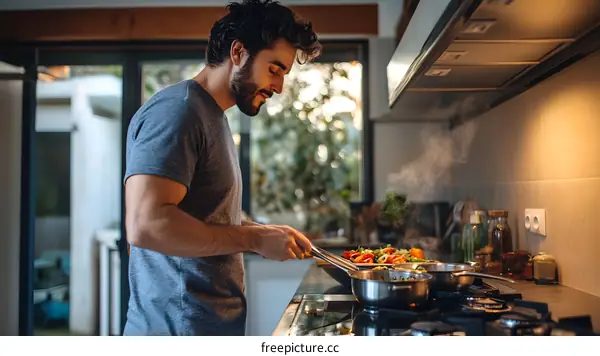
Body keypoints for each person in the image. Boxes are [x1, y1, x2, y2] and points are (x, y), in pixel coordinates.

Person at [122, 0, 322, 336]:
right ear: (239, 52)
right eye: (274, 69)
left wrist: (262, 232)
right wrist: (253, 239)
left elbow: (203, 215)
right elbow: (146, 225)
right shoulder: (178, 112)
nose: (279, 87)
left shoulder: (210, 116)